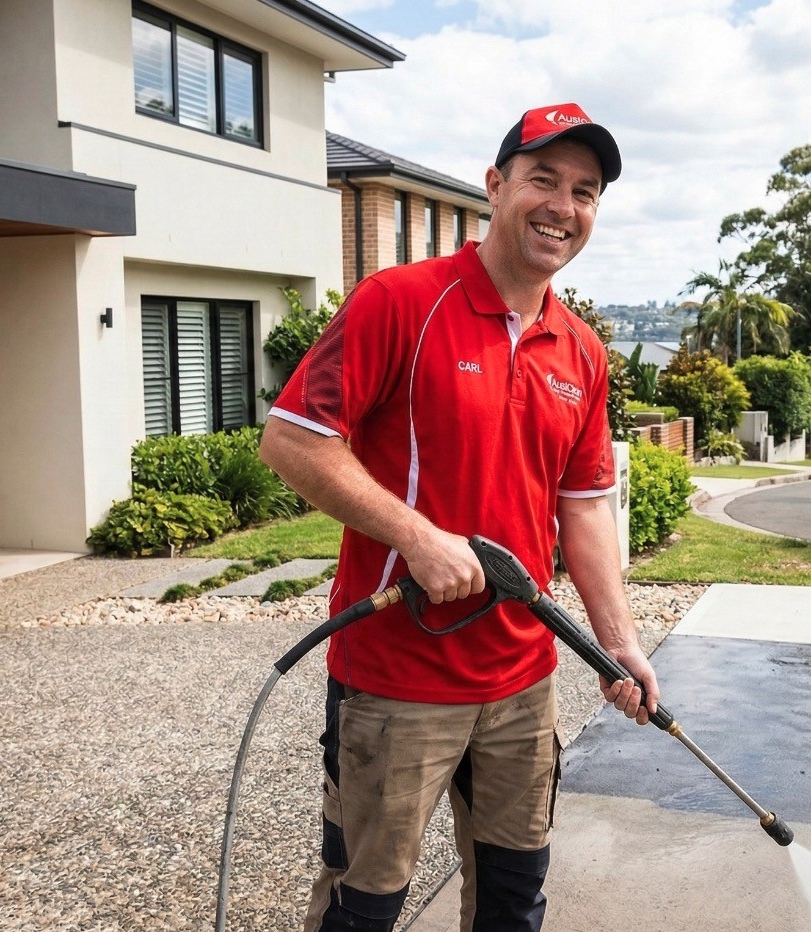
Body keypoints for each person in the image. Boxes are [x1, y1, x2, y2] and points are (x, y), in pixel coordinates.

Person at [260, 102, 659, 932]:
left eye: (585, 191)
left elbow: (584, 505)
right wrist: (416, 536)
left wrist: (617, 642)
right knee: (365, 907)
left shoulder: (580, 348)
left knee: (513, 901)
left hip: (522, 683)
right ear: (495, 186)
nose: (562, 206)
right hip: (395, 681)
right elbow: (293, 440)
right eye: (543, 180)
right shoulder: (400, 301)